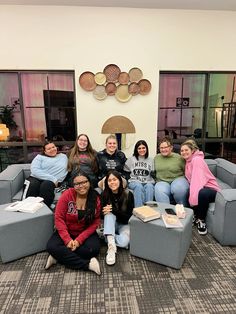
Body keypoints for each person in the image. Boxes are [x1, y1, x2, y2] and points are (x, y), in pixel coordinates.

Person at [45, 172, 101, 275]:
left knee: (93, 250)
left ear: (89, 182)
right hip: (67, 230)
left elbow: (95, 222)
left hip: (85, 231)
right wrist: (67, 240)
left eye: (84, 182)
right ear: (73, 185)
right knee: (51, 246)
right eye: (77, 183)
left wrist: (79, 240)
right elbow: (59, 218)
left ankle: (58, 256)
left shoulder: (95, 198)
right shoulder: (67, 194)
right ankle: (87, 265)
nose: (81, 186)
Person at [180, 140, 220, 235]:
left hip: (211, 190)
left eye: (186, 150)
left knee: (201, 193)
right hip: (201, 187)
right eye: (182, 151)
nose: (184, 152)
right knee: (187, 190)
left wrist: (193, 202)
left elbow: (197, 182)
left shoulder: (196, 160)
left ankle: (201, 220)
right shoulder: (188, 161)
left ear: (192, 150)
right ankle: (192, 215)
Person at [101, 170, 134, 266]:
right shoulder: (104, 194)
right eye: (109, 180)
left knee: (124, 242)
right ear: (107, 183)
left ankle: (107, 236)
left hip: (124, 224)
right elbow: (100, 215)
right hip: (111, 223)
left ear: (120, 181)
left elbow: (128, 218)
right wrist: (105, 212)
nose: (112, 182)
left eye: (114, 179)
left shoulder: (129, 194)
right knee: (109, 215)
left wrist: (113, 210)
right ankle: (111, 248)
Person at [25, 141, 68, 207]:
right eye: (49, 149)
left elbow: (66, 169)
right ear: (45, 151)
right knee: (33, 184)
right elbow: (35, 170)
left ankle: (44, 209)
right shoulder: (39, 157)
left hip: (50, 182)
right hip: (36, 178)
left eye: (53, 147)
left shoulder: (63, 157)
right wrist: (53, 178)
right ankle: (26, 206)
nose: (52, 149)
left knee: (46, 185)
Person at [154, 137, 189, 206]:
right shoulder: (156, 158)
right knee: (159, 190)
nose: (163, 149)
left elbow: (186, 170)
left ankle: (183, 209)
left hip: (178, 179)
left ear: (171, 147)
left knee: (178, 188)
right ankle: (166, 212)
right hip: (162, 181)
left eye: (166, 147)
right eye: (161, 148)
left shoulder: (179, 158)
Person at [124, 140, 155, 207]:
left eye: (143, 148)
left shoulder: (151, 160)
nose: (142, 150)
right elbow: (125, 171)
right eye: (139, 148)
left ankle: (149, 209)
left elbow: (152, 173)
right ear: (136, 149)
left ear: (146, 148)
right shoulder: (131, 159)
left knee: (149, 187)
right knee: (138, 186)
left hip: (147, 182)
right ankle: (139, 210)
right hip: (134, 182)